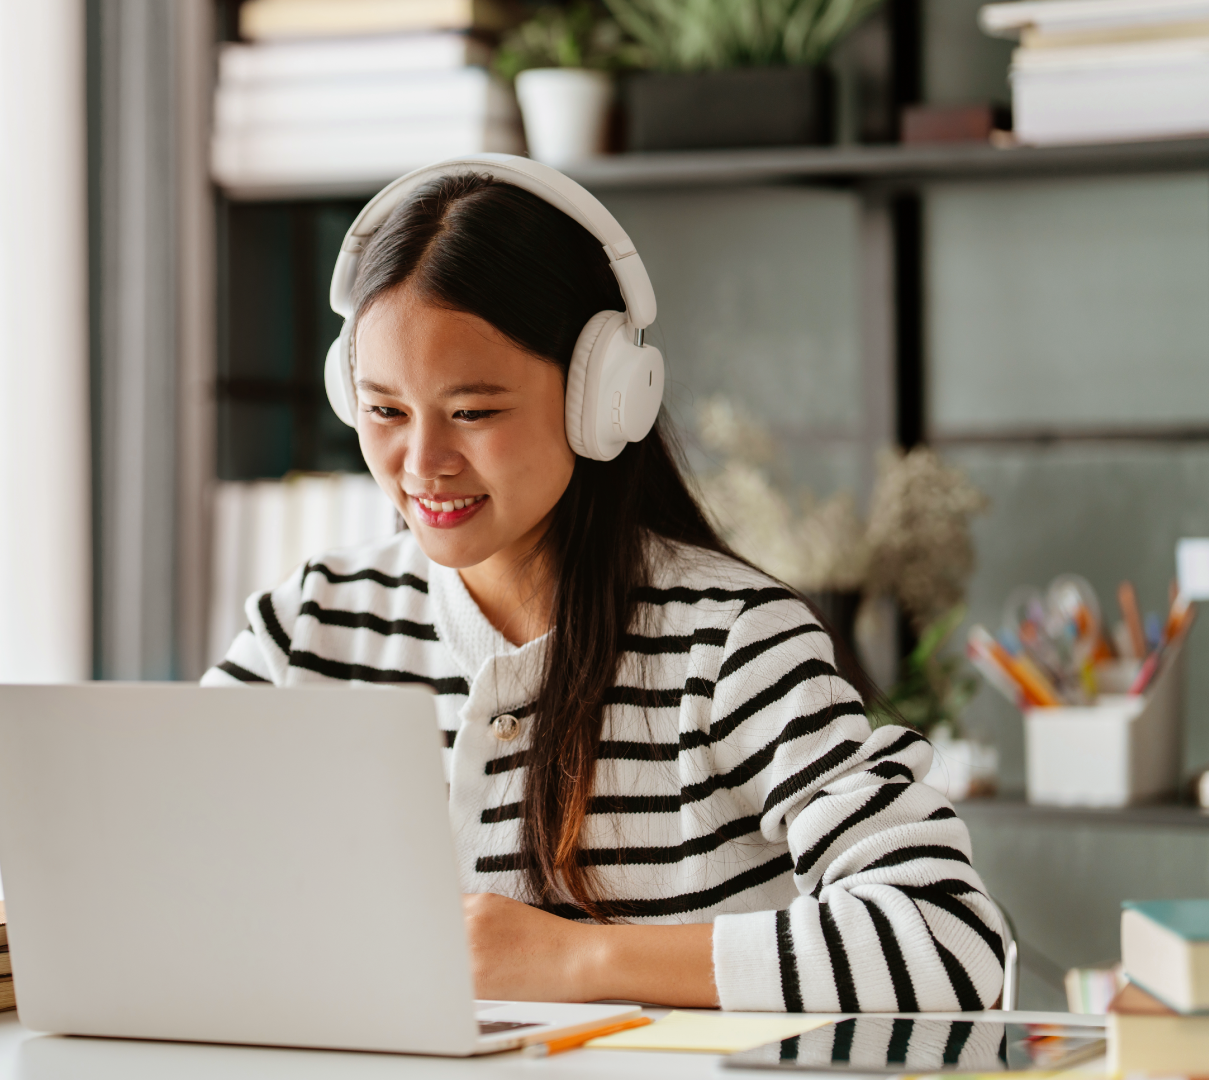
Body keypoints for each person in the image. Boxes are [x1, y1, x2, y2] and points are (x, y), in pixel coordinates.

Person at [201, 157, 1006, 1013]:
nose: (422, 464)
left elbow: (949, 940)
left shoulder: (732, 644)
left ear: (603, 396)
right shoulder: (309, 627)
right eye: (384, 411)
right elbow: (142, 872)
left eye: (473, 412)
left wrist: (574, 962)